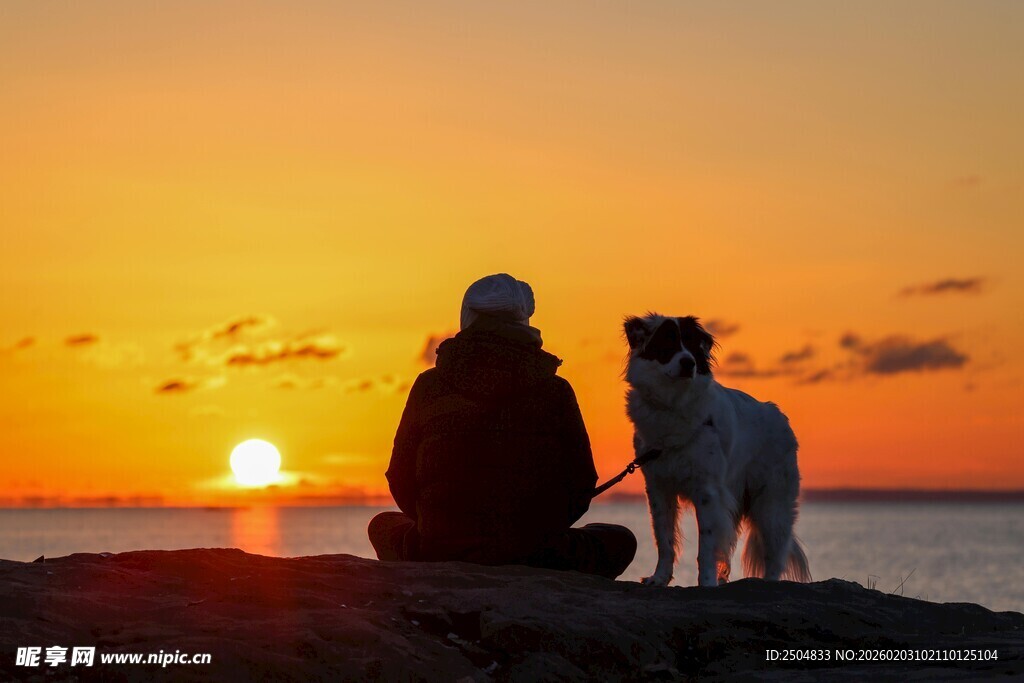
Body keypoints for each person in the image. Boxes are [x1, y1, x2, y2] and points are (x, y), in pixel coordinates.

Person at [368, 273, 636, 579]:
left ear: (468, 318)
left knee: (382, 525)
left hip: (438, 550)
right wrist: (539, 534)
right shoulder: (555, 390)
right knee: (620, 539)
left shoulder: (428, 385)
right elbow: (581, 480)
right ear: (523, 322)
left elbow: (399, 475)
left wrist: (436, 529)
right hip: (536, 554)